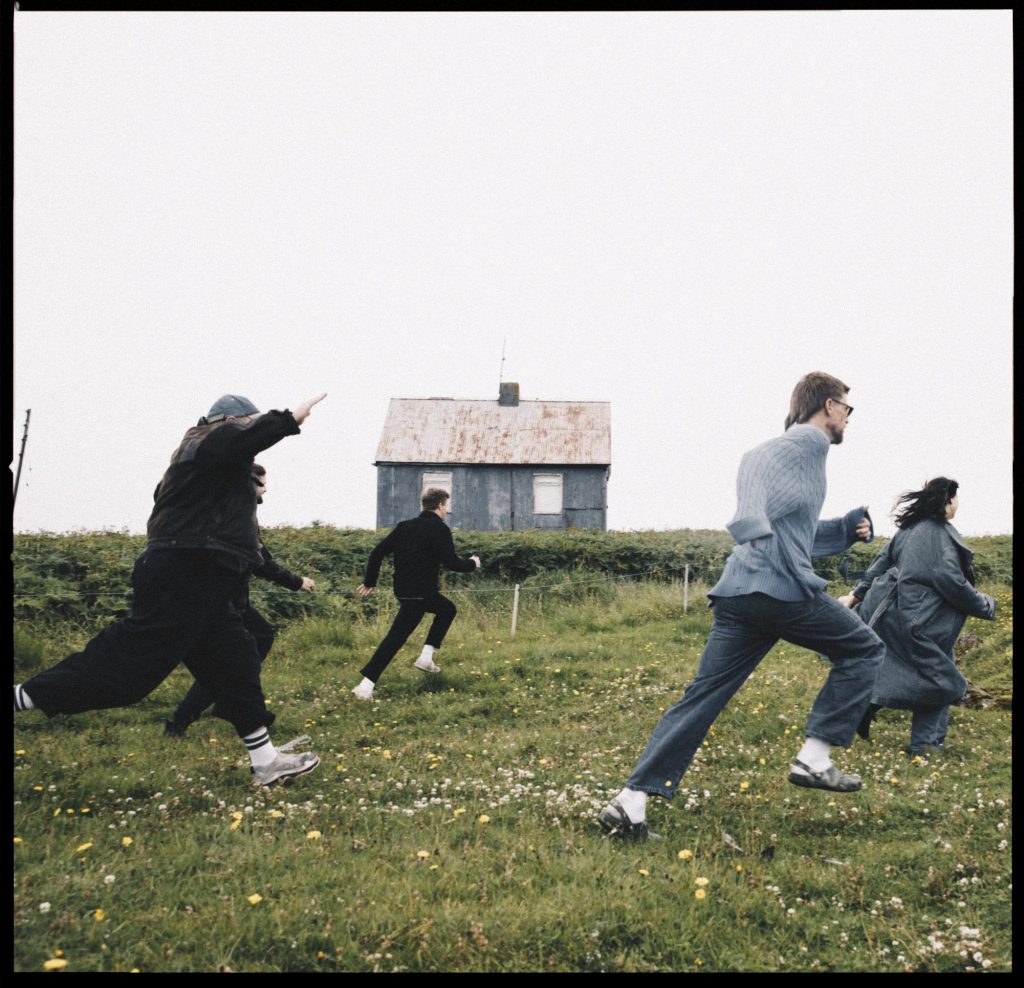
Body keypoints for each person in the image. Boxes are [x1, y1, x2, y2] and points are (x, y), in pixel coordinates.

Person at [599, 372, 885, 841]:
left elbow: (791, 527)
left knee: (701, 698)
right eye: (847, 411)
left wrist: (844, 529)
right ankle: (815, 757)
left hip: (740, 595)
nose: (848, 422)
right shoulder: (795, 447)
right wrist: (749, 521)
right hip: (777, 591)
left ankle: (630, 804)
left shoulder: (808, 459)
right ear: (831, 407)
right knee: (864, 649)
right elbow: (754, 480)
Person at [14, 393, 327, 788]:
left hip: (202, 575)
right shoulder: (205, 440)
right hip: (184, 572)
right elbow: (238, 440)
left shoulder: (212, 468)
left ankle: (266, 763)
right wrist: (286, 420)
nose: (248, 434)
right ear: (229, 420)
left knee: (235, 659)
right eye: (246, 424)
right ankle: (22, 697)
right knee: (128, 674)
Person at [839, 478, 996, 755]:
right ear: (947, 500)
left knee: (913, 672)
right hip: (922, 622)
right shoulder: (938, 536)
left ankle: (866, 707)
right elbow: (953, 584)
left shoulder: (908, 529)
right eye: (955, 499)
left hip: (892, 614)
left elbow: (880, 564)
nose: (957, 505)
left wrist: (856, 595)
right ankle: (926, 744)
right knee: (940, 681)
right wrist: (986, 604)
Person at [163, 463, 316, 739]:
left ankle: (222, 706)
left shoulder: (238, 512)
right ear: (247, 483)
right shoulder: (234, 514)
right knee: (229, 664)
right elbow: (261, 563)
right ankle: (186, 720)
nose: (265, 489)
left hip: (230, 601)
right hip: (219, 604)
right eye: (261, 484)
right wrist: (297, 582)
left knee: (253, 645)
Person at [352, 487, 481, 700]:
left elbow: (377, 553)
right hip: (422, 593)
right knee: (408, 631)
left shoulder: (404, 527)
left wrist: (370, 581)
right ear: (440, 505)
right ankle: (369, 685)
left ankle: (423, 659)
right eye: (446, 506)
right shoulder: (439, 529)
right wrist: (472, 564)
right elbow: (452, 562)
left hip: (403, 591)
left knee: (440, 613)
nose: (446, 510)